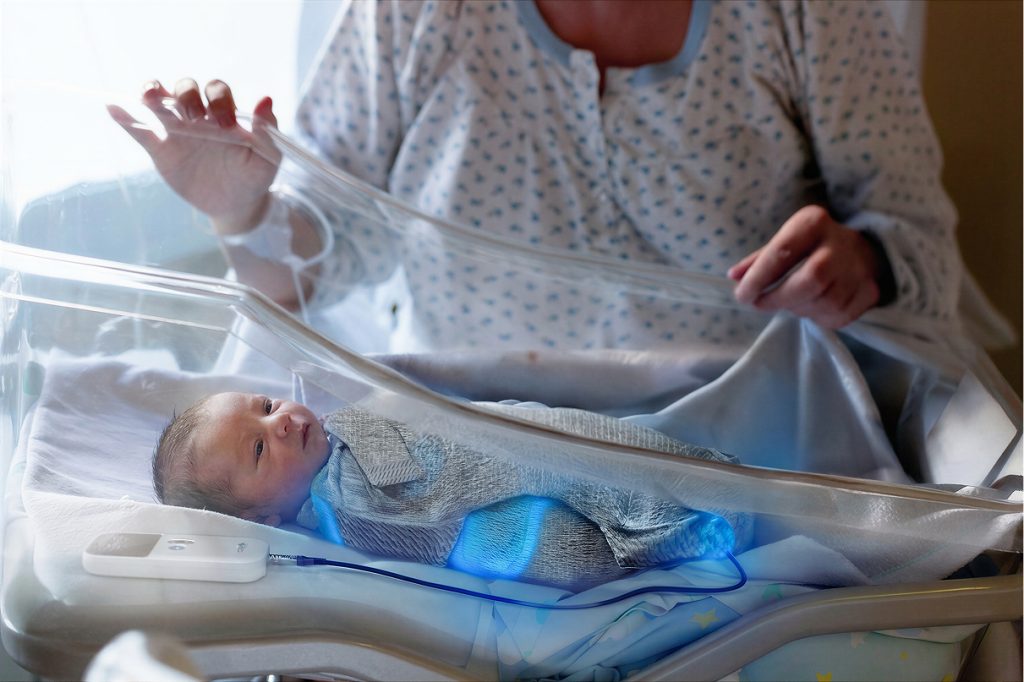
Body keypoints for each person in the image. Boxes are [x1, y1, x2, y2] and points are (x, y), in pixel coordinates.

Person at [111, 0, 958, 349]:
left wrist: (863, 263)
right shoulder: (421, 12)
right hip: (474, 448)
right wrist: (238, 213)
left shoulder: (804, 14)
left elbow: (921, 248)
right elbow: (316, 266)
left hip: (741, 456)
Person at [153, 391, 748, 590]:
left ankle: (690, 500)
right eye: (258, 449)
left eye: (263, 404)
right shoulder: (349, 495)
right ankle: (680, 517)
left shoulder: (337, 465)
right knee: (592, 471)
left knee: (593, 445)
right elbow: (440, 490)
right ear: (265, 519)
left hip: (513, 473)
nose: (279, 420)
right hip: (524, 504)